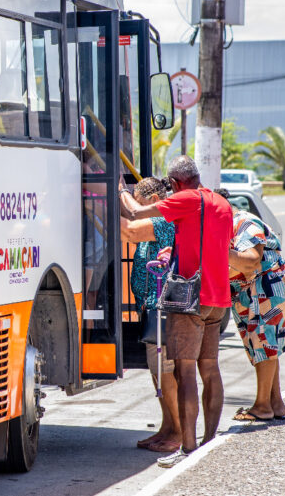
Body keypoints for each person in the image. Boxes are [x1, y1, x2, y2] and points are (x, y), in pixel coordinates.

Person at [120, 156, 233, 468]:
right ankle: (210, 441)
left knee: (184, 373)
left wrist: (117, 189)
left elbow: (134, 213)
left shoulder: (186, 198)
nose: (170, 190)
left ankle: (187, 447)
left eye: (171, 185)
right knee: (209, 369)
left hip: (190, 299)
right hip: (218, 299)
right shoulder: (220, 203)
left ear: (177, 183)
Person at [226, 197, 285, 421]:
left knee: (264, 344)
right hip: (263, 288)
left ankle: (262, 406)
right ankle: (275, 403)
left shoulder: (243, 222)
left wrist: (215, 249)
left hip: (266, 287)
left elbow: (251, 260)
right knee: (267, 346)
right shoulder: (235, 223)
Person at [119, 177, 180, 453]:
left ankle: (176, 431)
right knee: (158, 372)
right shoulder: (157, 218)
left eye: (142, 206)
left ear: (154, 201)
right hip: (150, 307)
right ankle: (167, 428)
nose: (140, 211)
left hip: (162, 309)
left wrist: (114, 196)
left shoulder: (163, 219)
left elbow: (130, 230)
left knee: (165, 372)